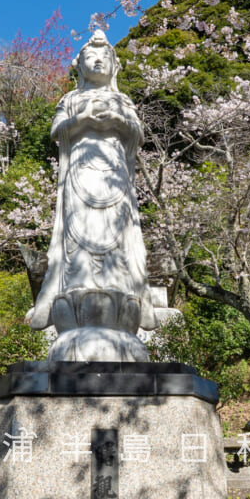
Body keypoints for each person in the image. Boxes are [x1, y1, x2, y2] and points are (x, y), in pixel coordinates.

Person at [26, 31, 156, 359]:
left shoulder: (121, 100)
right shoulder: (71, 99)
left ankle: (120, 288)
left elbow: (137, 134)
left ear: (114, 65)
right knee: (77, 235)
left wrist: (117, 120)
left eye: (104, 57)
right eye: (90, 57)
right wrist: (81, 119)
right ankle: (76, 288)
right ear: (80, 66)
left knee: (116, 234)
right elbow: (57, 130)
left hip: (114, 173)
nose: (97, 61)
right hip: (80, 173)